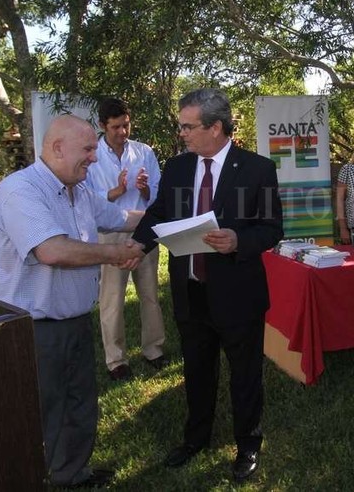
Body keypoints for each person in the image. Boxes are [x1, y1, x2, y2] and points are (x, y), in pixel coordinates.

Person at [0, 114, 145, 489]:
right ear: (58, 148)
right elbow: (52, 250)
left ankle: (73, 474)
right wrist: (114, 255)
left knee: (78, 403)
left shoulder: (80, 192)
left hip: (73, 321)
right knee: (42, 410)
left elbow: (122, 216)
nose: (94, 158)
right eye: (88, 149)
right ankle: (35, 476)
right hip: (33, 328)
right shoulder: (19, 191)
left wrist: (176, 217)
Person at [132, 88, 283, 482]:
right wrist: (137, 244)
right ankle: (195, 438)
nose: (181, 132)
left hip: (238, 294)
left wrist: (238, 240)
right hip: (190, 289)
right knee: (198, 370)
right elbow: (159, 211)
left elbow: (271, 229)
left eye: (188, 126)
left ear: (216, 127)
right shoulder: (178, 167)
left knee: (245, 374)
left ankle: (248, 445)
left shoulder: (258, 169)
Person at [86, 97, 167, 381]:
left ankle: (153, 348)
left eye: (126, 125)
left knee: (149, 293)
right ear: (102, 126)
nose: (122, 132)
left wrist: (144, 190)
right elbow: (87, 198)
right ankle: (116, 360)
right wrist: (116, 192)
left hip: (143, 230)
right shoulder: (92, 155)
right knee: (111, 297)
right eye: (116, 127)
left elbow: (157, 196)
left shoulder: (144, 152)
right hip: (110, 233)